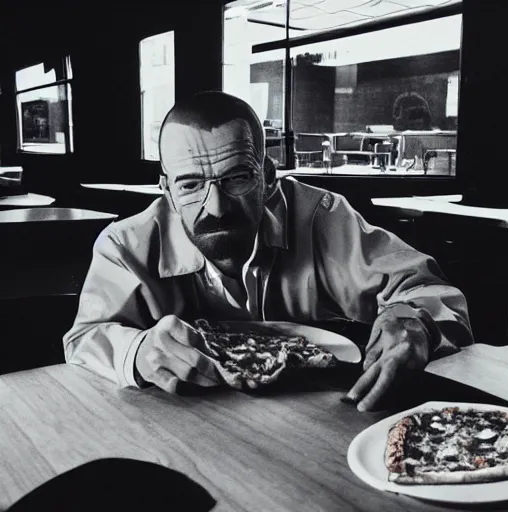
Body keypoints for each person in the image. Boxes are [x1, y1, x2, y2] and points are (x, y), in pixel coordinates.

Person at [63, 91, 472, 411]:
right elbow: (83, 337)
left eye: (237, 177)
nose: (216, 207)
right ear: (166, 190)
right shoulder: (125, 245)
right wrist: (137, 352)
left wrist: (413, 323)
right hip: (183, 430)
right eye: (190, 185)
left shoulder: (321, 218)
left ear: (268, 178)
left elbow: (426, 289)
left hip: (318, 424)